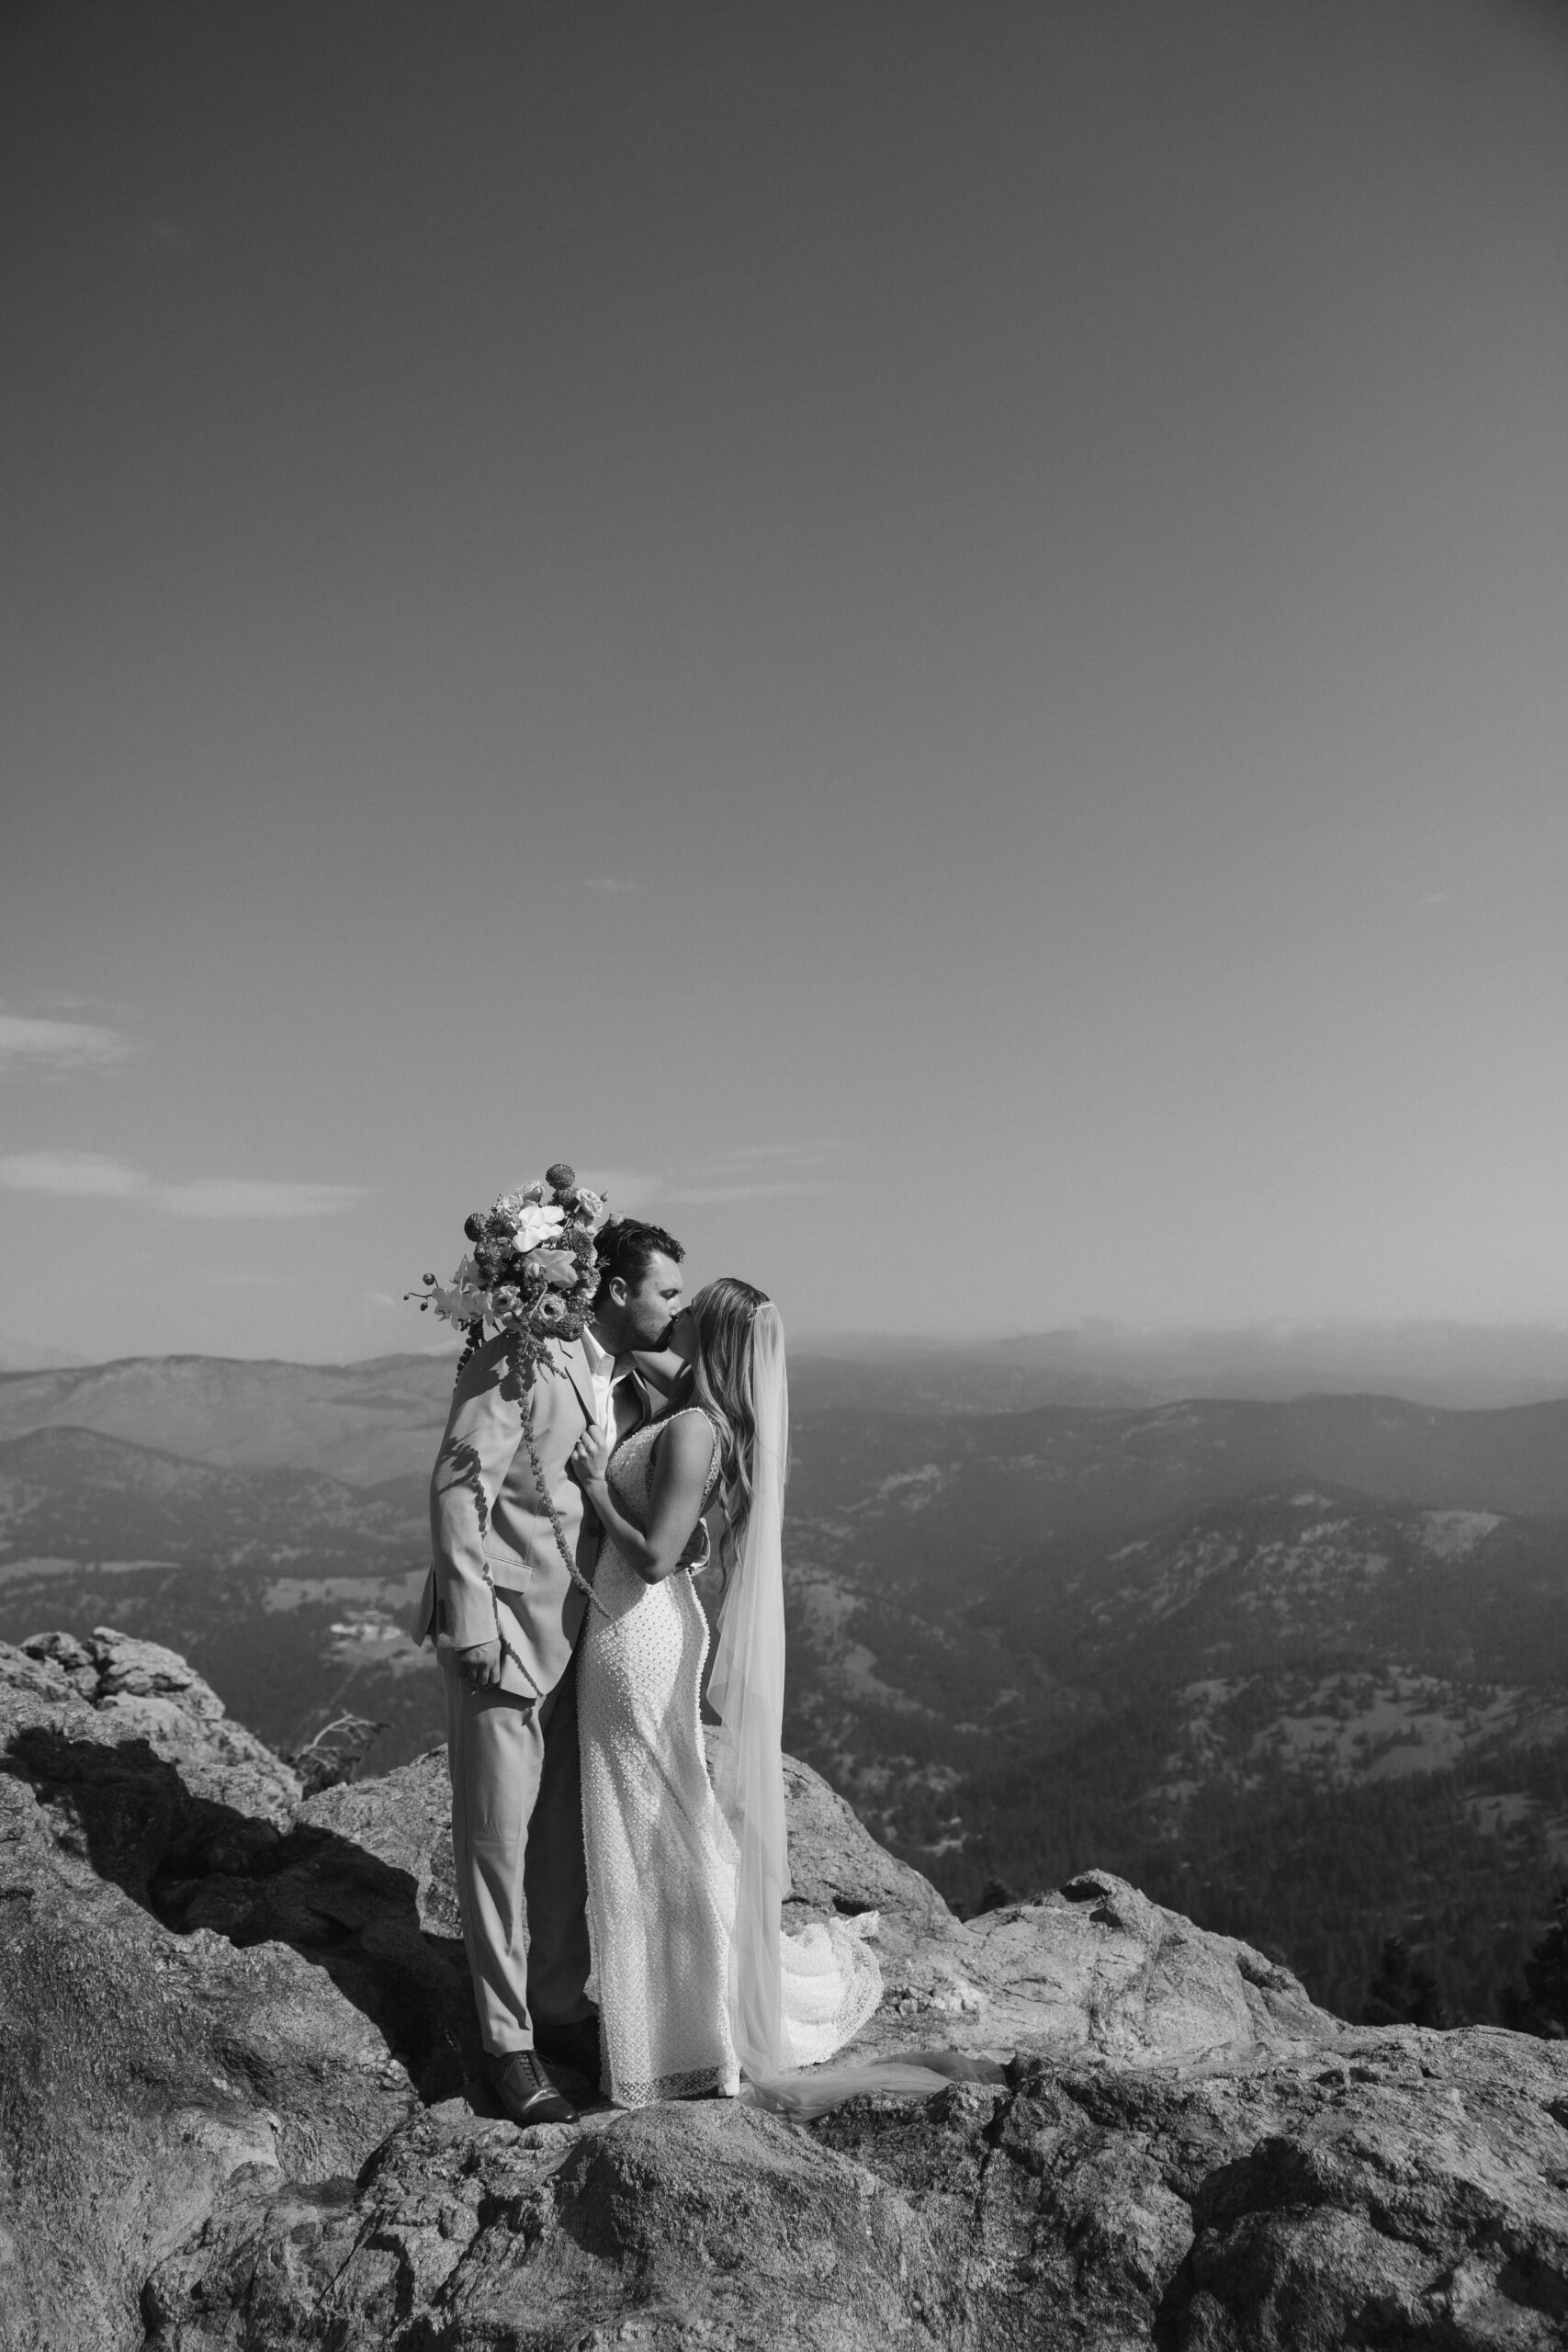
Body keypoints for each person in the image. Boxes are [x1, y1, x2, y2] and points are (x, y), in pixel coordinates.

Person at [570, 1277, 883, 2107]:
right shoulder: (694, 1402)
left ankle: (690, 2027)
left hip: (636, 1629)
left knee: (654, 1828)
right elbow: (628, 1343)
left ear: (709, 1332)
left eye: (686, 1306)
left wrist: (596, 1489)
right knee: (665, 1821)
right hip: (632, 1630)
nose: (670, 1312)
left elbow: (657, 1556)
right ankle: (685, 2008)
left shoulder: (697, 1428)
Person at [417, 1216, 691, 2127]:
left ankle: (563, 2004)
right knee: (494, 1846)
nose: (674, 1310)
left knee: (560, 1840)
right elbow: (461, 1482)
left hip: (582, 1637)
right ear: (614, 1290)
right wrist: (470, 1620)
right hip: (505, 1634)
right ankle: (505, 2044)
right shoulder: (525, 1348)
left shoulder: (619, 1371)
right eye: (664, 1293)